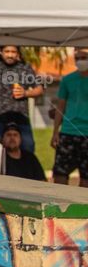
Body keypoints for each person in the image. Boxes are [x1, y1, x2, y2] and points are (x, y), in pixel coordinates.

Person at [50, 47, 88, 188]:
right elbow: (60, 106)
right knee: (60, 174)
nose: (80, 61)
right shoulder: (68, 80)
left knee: (86, 178)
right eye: (77, 58)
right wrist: (55, 133)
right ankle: (59, 205)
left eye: (84, 57)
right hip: (68, 132)